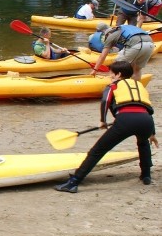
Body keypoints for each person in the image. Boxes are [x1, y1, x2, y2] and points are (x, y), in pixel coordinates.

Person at [55, 60, 157, 193]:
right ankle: (146, 175)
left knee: (97, 150)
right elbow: (147, 109)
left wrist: (103, 120)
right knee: (143, 144)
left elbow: (105, 101)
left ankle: (73, 182)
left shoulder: (113, 86)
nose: (110, 76)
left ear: (118, 74)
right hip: (146, 121)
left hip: (126, 120)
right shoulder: (139, 86)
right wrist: (152, 133)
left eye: (111, 73)